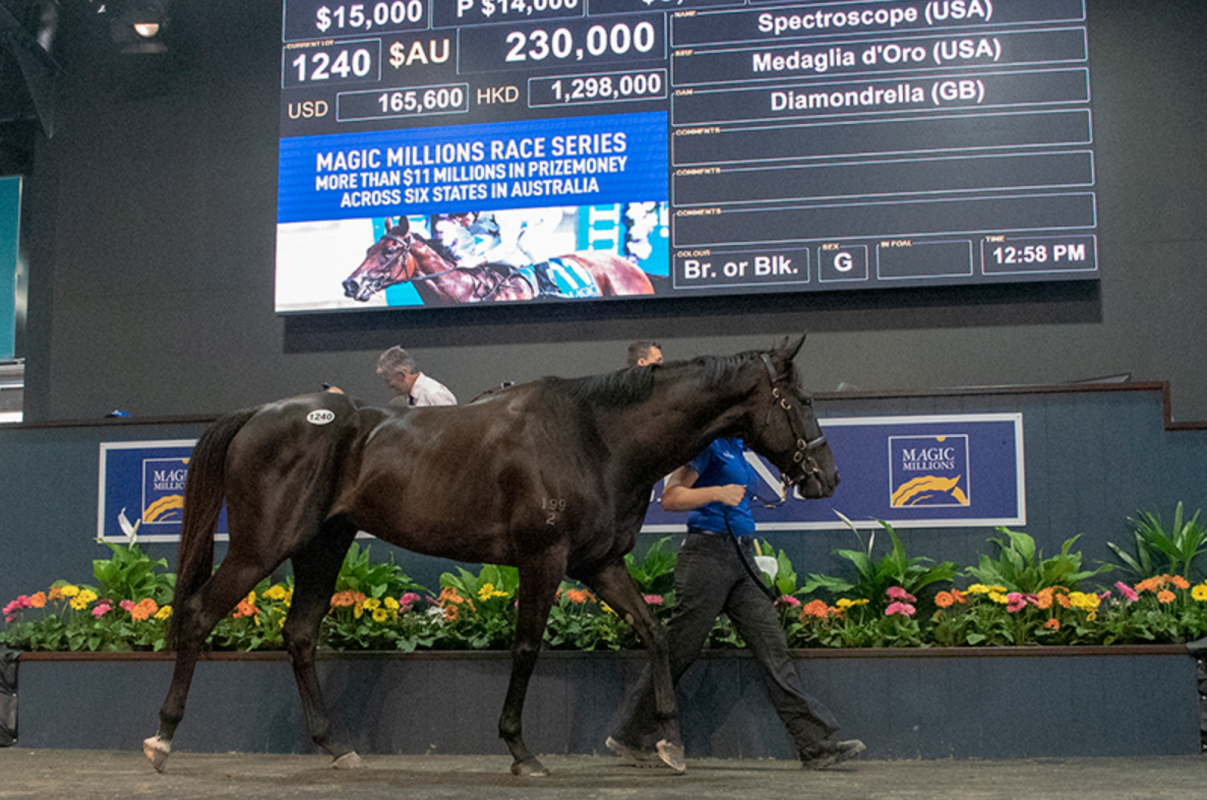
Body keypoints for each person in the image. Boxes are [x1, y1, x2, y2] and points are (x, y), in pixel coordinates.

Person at [607, 436, 865, 771]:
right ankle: (630, 733)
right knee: (679, 651)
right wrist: (717, 492)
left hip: (742, 557)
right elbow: (670, 498)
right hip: (706, 557)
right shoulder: (707, 446)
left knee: (773, 650)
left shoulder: (739, 448)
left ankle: (815, 746)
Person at [375, 346, 457, 407]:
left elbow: (451, 427)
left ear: (401, 375)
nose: (389, 387)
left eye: (389, 381)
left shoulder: (433, 394)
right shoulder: (411, 398)